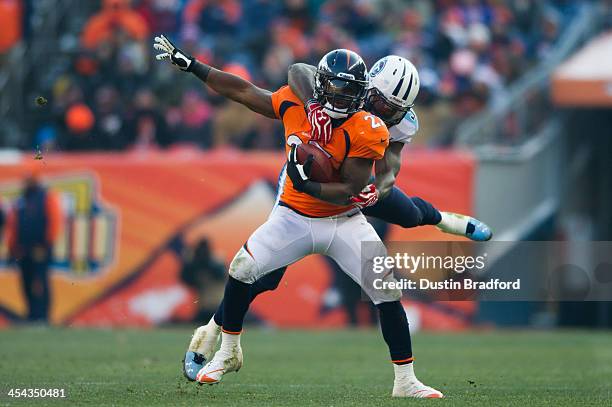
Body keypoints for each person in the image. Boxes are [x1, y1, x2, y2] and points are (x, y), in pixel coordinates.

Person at [182, 54, 492, 395]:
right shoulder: (327, 96)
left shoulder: (385, 124)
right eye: (380, 102)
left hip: (353, 197)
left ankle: (448, 221)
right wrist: (314, 106)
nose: (386, 112)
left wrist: (375, 190)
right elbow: (295, 72)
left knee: (407, 219)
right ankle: (214, 331)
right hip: (299, 205)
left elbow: (389, 169)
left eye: (394, 109)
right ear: (365, 89)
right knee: (263, 275)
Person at [6, 173, 63, 322]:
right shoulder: (21, 200)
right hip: (22, 249)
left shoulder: (46, 197)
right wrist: (12, 247)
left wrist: (46, 243)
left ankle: (42, 316)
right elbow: (13, 224)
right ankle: (31, 314)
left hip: (40, 248)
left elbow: (55, 221)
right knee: (26, 281)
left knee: (40, 281)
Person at [180, 238, 226, 323]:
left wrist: (208, 262)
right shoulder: (196, 265)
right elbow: (186, 280)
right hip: (204, 308)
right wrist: (189, 263)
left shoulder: (216, 261)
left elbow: (221, 275)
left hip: (220, 307)